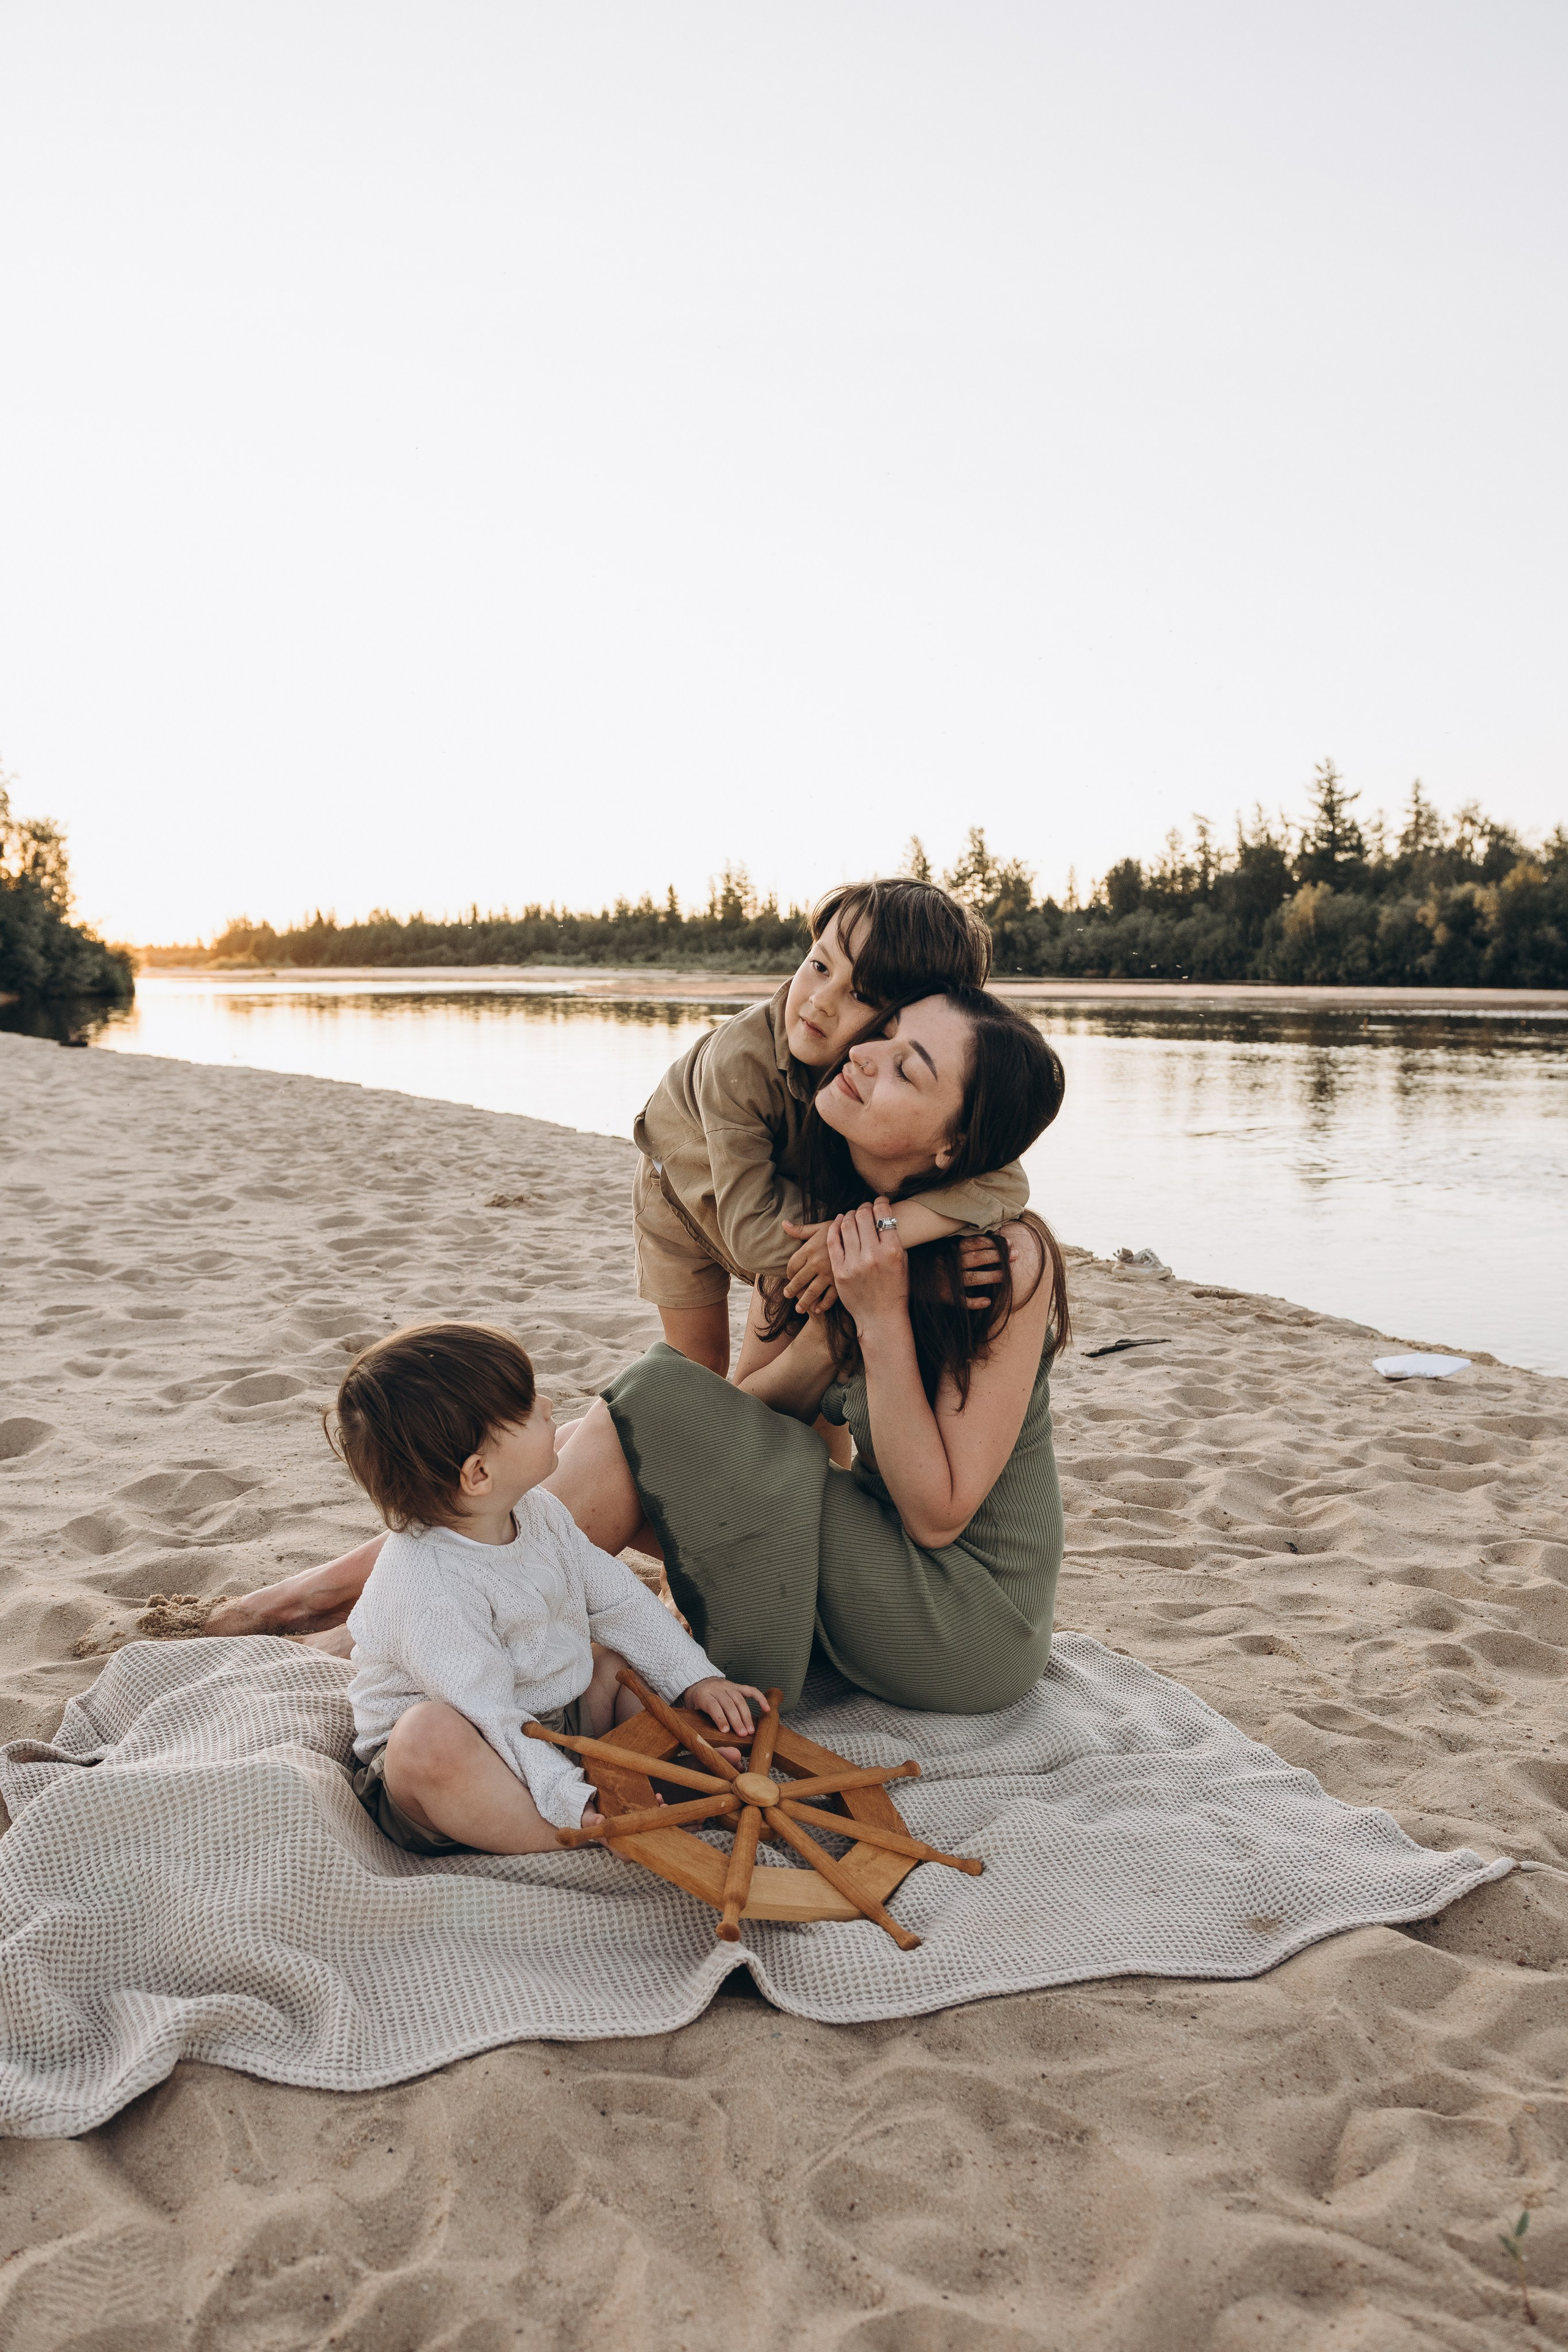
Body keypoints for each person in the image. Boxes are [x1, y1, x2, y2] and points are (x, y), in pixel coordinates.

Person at [212, 986, 1070, 1722]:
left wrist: (880, 1322)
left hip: (966, 1623)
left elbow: (938, 1516)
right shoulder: (822, 1223)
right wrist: (827, 1337)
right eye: (883, 1033)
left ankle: (363, 1617)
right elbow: (748, 1429)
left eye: (908, 1067)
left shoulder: (1006, 1259)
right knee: (624, 1424)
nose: (867, 1054)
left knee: (650, 1400)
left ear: (954, 1147)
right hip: (870, 1559)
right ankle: (372, 1608)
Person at [326, 1321, 764, 1856]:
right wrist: (567, 1800)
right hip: (470, 1757)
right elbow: (490, 1715)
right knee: (427, 1738)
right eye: (526, 1407)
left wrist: (694, 1680)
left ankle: (655, 1771)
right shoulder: (428, 1584)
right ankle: (574, 1832)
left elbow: (619, 1600)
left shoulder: (536, 1512)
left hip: (552, 1721)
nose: (549, 1405)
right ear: (478, 1474)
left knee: (614, 1663)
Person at [633, 877, 1030, 1378]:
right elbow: (753, 1235)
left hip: (790, 1191)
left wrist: (880, 1232)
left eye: (861, 995)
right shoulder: (741, 1059)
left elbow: (1005, 1181)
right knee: (697, 1363)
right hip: (679, 1185)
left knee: (813, 1346)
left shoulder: (878, 1069)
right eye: (819, 965)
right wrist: (899, 1261)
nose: (819, 1001)